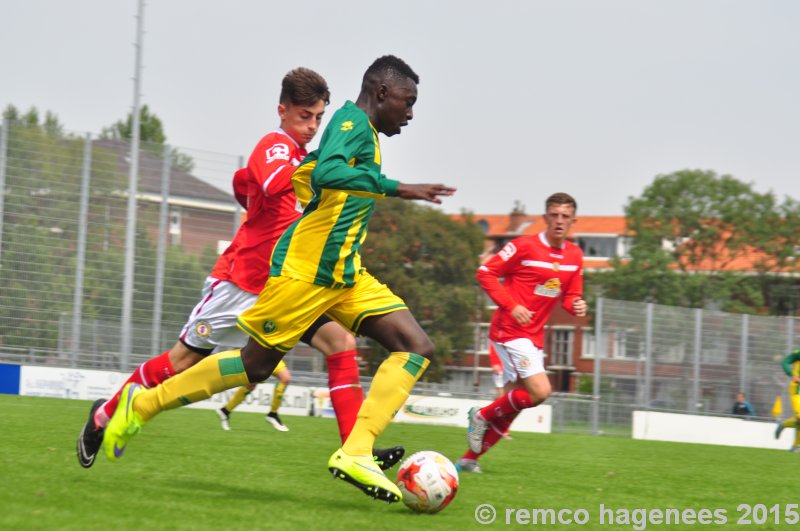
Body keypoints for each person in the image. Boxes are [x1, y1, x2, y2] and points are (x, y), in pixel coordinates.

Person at [102, 55, 455, 504]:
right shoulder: (349, 122)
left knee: (416, 346)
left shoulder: (361, 131)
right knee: (255, 366)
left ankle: (356, 451)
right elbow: (327, 172)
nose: (410, 113)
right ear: (382, 93)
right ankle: (144, 403)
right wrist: (397, 186)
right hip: (306, 273)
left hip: (345, 273)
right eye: (408, 102)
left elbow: (319, 178)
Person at [457, 193, 586, 473]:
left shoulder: (574, 256)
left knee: (515, 403)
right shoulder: (524, 247)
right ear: (545, 218)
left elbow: (569, 294)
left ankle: (469, 460)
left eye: (565, 216)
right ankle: (480, 415)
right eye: (554, 215)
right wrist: (512, 305)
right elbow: (485, 272)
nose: (559, 221)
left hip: (533, 336)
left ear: (573, 221)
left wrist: (576, 303)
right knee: (540, 392)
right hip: (510, 331)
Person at [216, 361, 292, 431]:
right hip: (260, 357)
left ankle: (273, 414)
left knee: (285, 379)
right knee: (250, 386)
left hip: (275, 358)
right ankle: (225, 411)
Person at [775, 348, 800, 451]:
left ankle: (783, 425)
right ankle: (795, 447)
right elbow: (785, 362)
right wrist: (792, 375)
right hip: (797, 390)